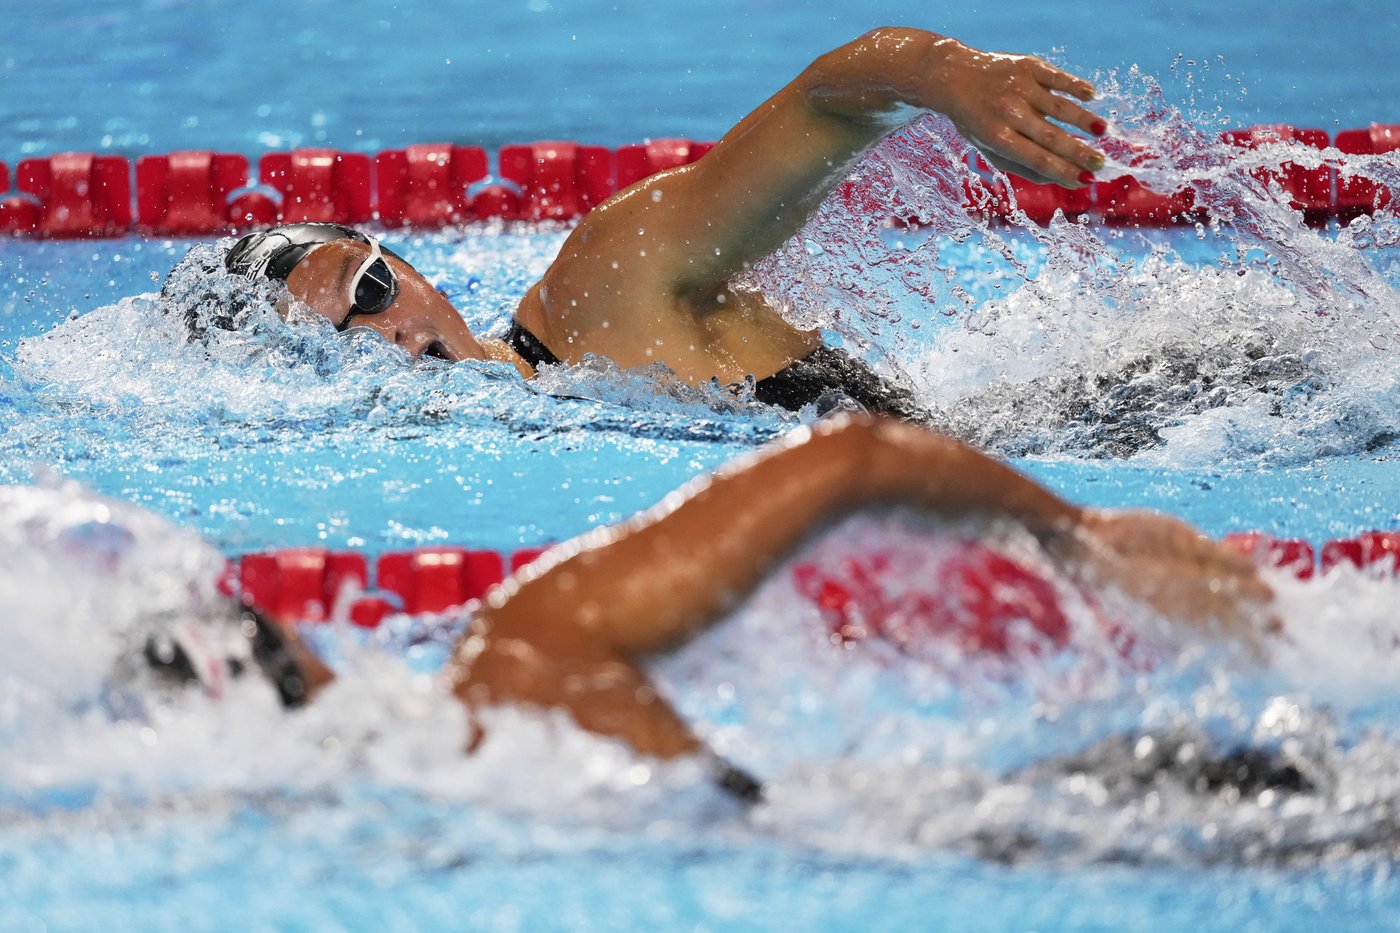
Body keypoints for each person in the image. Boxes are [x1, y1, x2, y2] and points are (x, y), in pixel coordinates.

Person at [151, 415, 1272, 799]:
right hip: (995, 821)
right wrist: (1074, 537)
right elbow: (853, 458)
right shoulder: (515, 660)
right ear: (293, 637)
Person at [184, 28, 1108, 419]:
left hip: (1119, 425)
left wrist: (946, 75)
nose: (391, 335)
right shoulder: (541, 425)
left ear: (413, 268)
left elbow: (829, 100)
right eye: (340, 343)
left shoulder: (602, 285)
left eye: (373, 287)